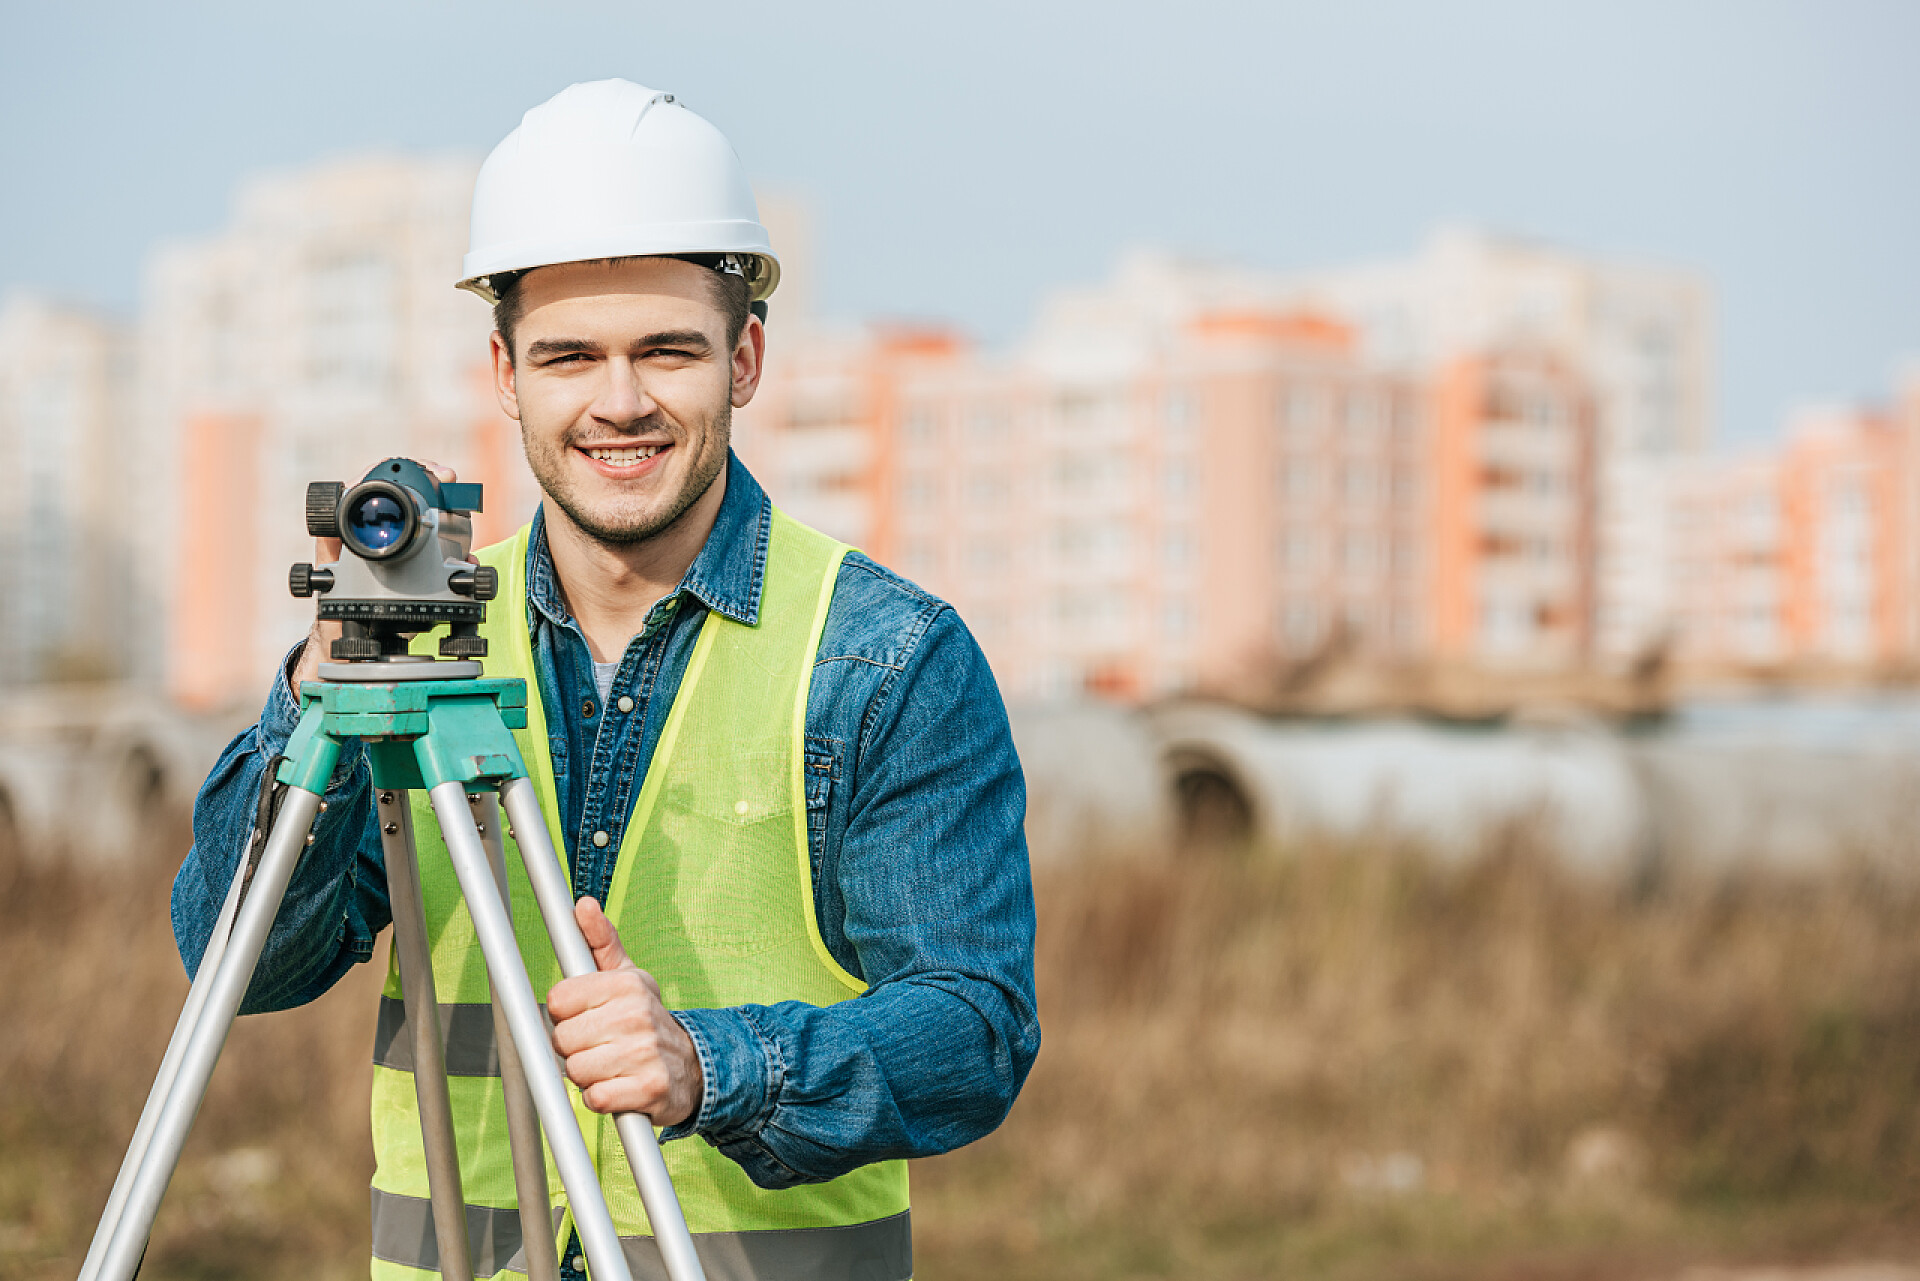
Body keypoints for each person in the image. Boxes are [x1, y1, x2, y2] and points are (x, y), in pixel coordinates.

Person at [172, 79, 1039, 1281]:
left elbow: (974, 1028)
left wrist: (709, 1065)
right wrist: (321, 693)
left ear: (744, 358)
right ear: (504, 372)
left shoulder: (883, 658)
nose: (618, 401)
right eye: (569, 354)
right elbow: (242, 967)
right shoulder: (418, 660)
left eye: (666, 350)